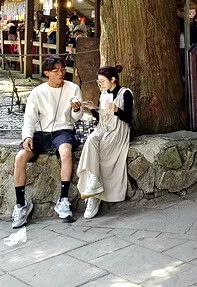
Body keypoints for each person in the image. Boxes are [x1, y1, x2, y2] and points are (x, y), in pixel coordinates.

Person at [11, 56, 83, 228]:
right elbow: (29, 118)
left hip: (62, 129)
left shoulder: (73, 88)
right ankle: (21, 205)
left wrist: (77, 109)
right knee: (20, 157)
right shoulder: (37, 92)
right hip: (40, 132)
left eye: (63, 70)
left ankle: (63, 199)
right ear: (46, 73)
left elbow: (75, 119)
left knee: (66, 152)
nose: (60, 74)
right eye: (56, 71)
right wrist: (27, 136)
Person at [77, 65, 134, 219]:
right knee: (91, 141)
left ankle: (94, 197)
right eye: (99, 81)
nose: (100, 84)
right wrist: (93, 109)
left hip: (118, 130)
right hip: (103, 128)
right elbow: (102, 118)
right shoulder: (103, 94)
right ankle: (93, 182)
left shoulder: (125, 94)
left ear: (113, 79)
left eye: (102, 81)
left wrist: (117, 110)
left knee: (102, 149)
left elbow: (129, 118)